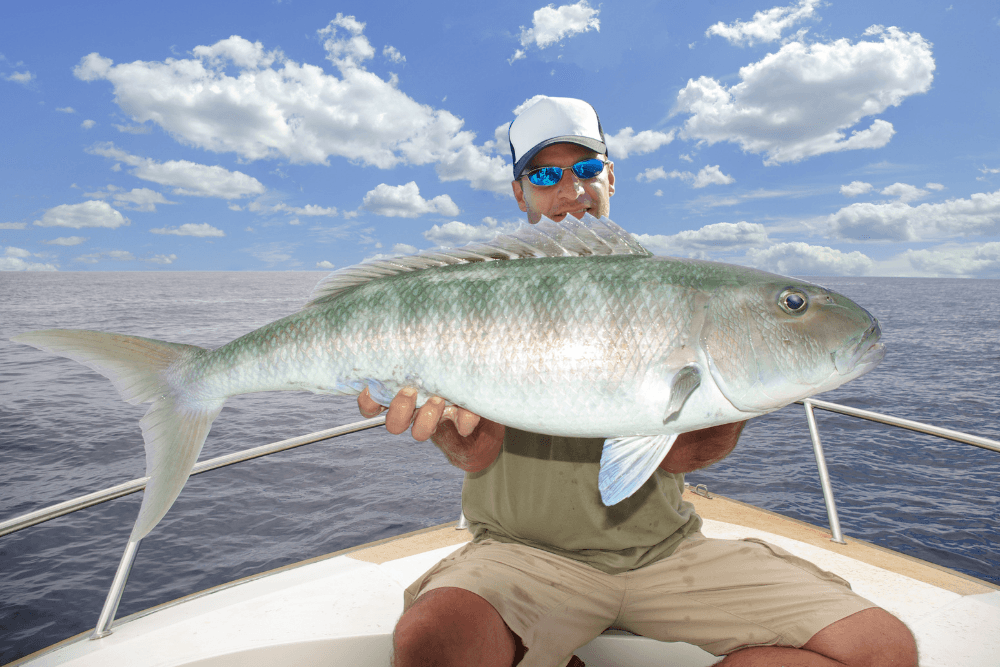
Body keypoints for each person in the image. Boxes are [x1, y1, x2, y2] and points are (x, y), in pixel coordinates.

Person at [357, 97, 917, 667]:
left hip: (665, 553)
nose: (570, 189)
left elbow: (683, 455)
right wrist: (448, 425)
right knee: (433, 643)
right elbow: (477, 457)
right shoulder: (485, 301)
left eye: (587, 169)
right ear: (520, 194)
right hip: (519, 554)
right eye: (546, 174)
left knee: (881, 651)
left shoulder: (671, 289)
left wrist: (734, 389)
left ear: (611, 178)